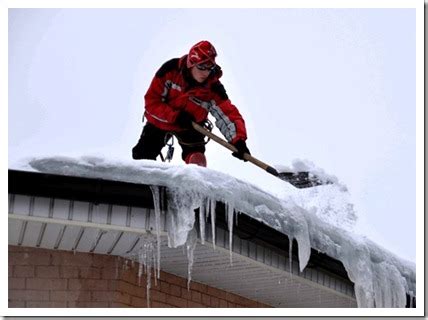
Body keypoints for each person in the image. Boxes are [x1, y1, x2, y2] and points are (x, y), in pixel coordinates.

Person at [132, 40, 250, 167]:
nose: (206, 73)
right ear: (191, 64)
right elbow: (151, 102)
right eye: (201, 67)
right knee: (142, 156)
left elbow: (228, 114)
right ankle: (143, 183)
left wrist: (238, 141)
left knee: (197, 160)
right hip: (161, 121)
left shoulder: (213, 88)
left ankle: (192, 183)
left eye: (209, 68)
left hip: (192, 126)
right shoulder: (170, 71)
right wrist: (175, 116)